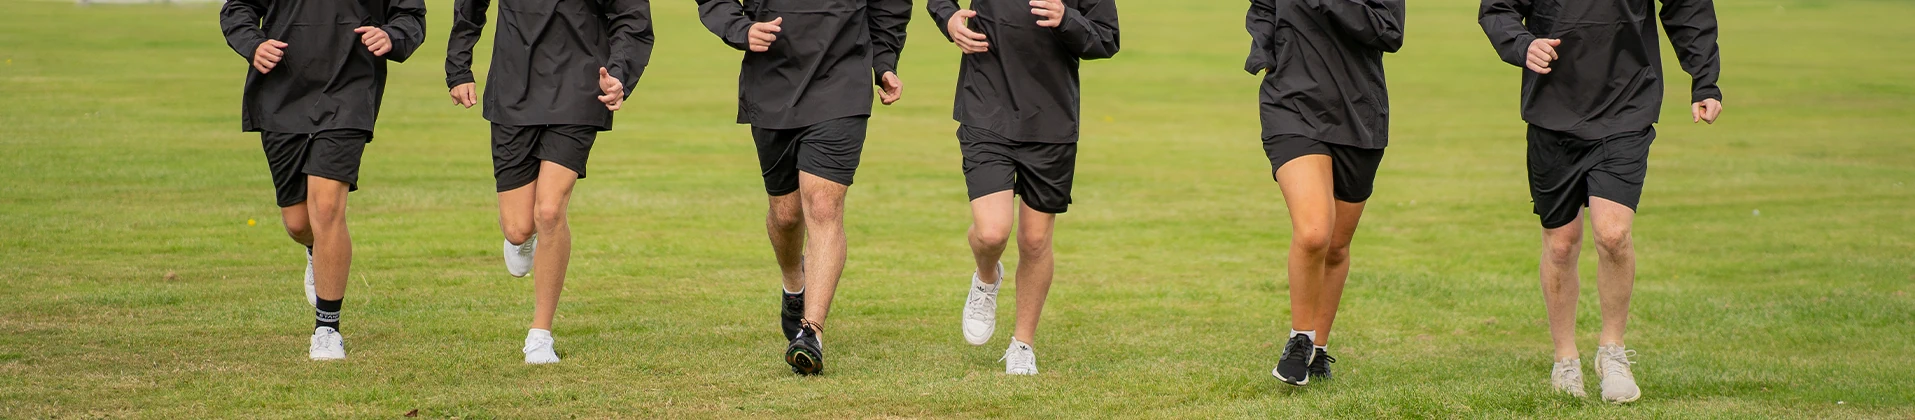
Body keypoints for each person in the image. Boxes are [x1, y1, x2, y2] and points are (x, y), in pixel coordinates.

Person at [1479, 0, 1723, 403]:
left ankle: (1613, 353)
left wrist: (1705, 79)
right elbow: (1498, 9)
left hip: (1626, 104)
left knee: (1613, 234)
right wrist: (1523, 44)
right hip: (1552, 109)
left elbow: (1687, 6)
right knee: (1561, 245)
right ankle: (1565, 359)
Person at [696, 0, 911, 376]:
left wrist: (884, 61)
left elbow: (890, 4)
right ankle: (794, 282)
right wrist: (740, 28)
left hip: (842, 81)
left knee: (824, 205)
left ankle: (811, 333)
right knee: (786, 215)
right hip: (772, 82)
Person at [445, 0, 654, 364]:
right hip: (513, 85)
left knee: (550, 211)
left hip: (580, 86)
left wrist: (620, 74)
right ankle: (524, 238)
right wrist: (459, 66)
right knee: (517, 228)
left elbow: (632, 18)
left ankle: (540, 335)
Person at [219, 0, 426, 361]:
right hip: (282, 87)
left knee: (327, 207)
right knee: (299, 223)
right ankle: (316, 251)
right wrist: (254, 45)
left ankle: (327, 329)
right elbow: (238, 7)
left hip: (350, 86)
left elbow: (409, 14)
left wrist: (392, 35)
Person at [927, 0, 1119, 376]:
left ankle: (1022, 345)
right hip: (986, 109)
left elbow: (1106, 38)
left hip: (1051, 121)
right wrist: (948, 19)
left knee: (1034, 241)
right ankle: (986, 278)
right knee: (992, 232)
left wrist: (1066, 19)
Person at [1245, 0, 1404, 386]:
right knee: (1315, 232)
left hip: (1359, 115)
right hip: (1291, 106)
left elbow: (1389, 32)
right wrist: (1264, 51)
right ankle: (1300, 338)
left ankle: (1318, 348)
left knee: (1335, 247)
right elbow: (1264, 6)